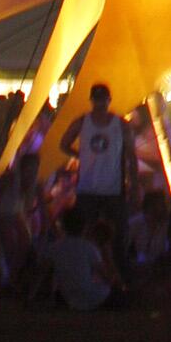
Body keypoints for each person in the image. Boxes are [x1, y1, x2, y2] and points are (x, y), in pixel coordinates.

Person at [59, 80, 133, 250]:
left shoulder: (120, 124)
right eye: (97, 100)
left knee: (118, 234)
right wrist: (80, 156)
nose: (100, 104)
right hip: (89, 187)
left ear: (109, 100)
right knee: (84, 232)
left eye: (103, 100)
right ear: (92, 101)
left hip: (112, 188)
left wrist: (133, 183)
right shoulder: (82, 122)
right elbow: (63, 144)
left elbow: (131, 155)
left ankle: (115, 267)